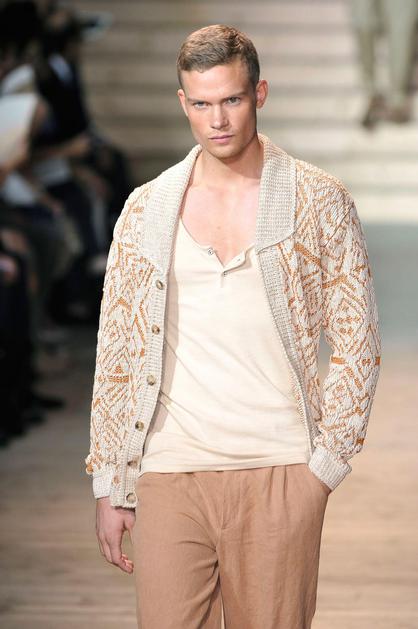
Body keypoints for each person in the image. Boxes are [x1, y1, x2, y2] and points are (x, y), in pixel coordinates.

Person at [85, 24, 382, 629]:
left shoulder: (319, 201)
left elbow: (358, 340)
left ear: (259, 94)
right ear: (183, 103)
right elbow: (117, 348)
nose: (217, 120)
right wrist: (109, 481)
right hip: (169, 470)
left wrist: (325, 466)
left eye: (232, 100)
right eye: (201, 103)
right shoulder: (145, 209)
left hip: (279, 470)